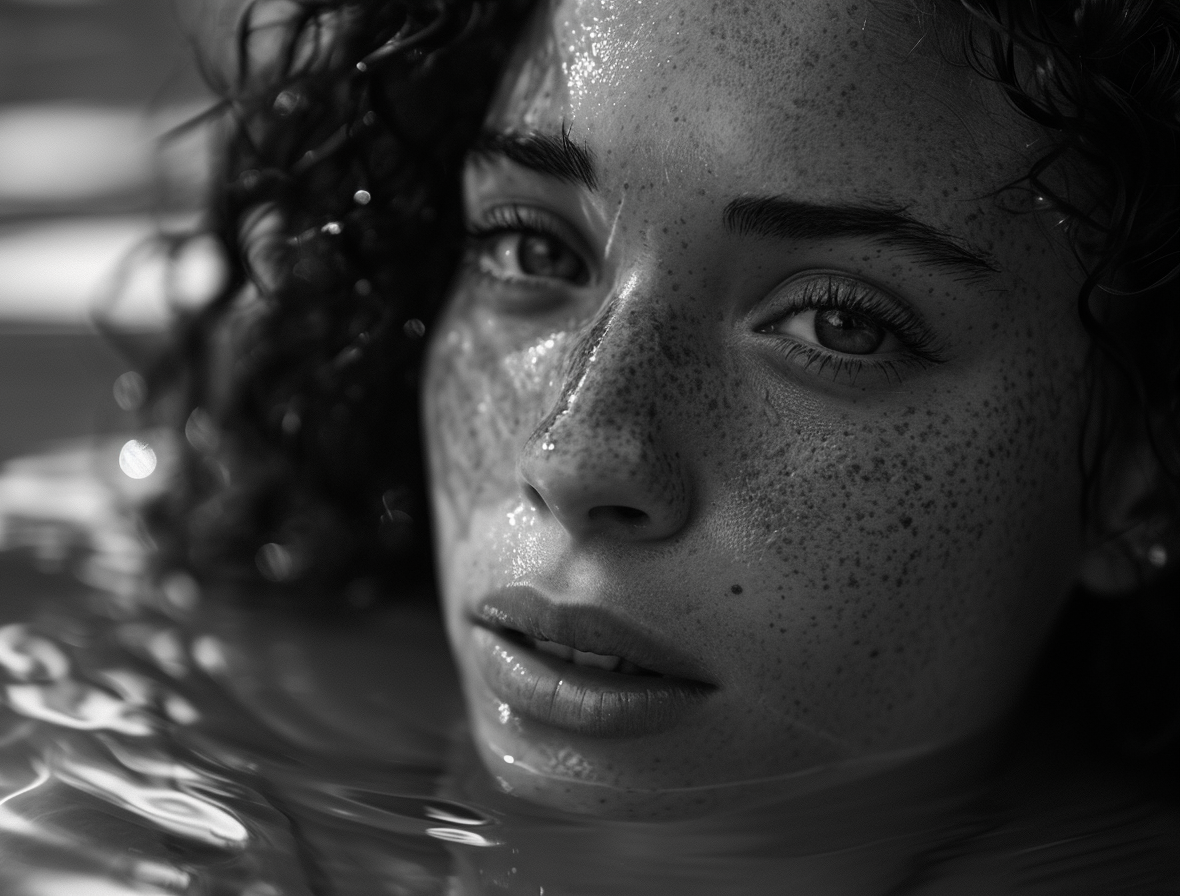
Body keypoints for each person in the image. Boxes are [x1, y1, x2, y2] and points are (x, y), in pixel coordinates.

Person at [150, 0, 1180, 889]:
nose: (579, 454)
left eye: (840, 324)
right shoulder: (194, 739)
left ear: (1148, 468)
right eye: (530, 246)